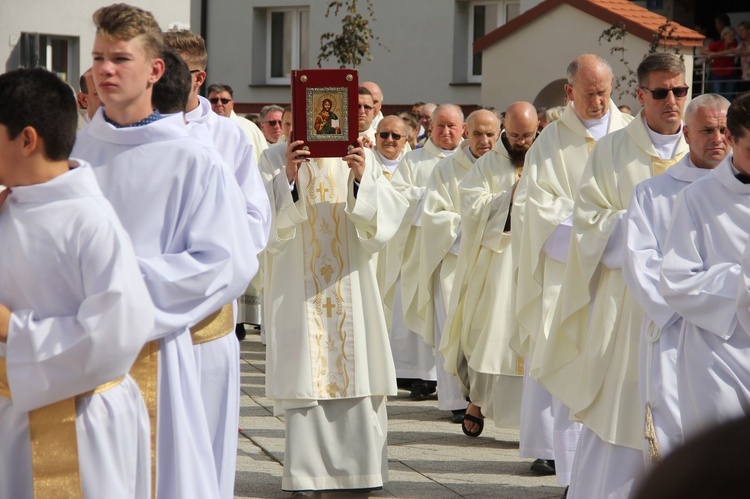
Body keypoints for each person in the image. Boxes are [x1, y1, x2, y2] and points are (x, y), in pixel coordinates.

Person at [72, 5, 256, 498]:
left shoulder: (194, 159)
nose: (105, 69)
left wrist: (113, 295)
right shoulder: (74, 156)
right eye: (98, 57)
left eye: (120, 58)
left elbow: (226, 262)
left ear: (155, 70)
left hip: (158, 349)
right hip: (80, 352)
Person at [0, 66, 152, 499]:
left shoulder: (90, 220)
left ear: (27, 140)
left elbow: (118, 333)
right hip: (10, 417)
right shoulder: (9, 204)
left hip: (82, 421)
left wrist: (13, 329)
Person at [543, 52, 689, 499]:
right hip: (626, 305)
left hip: (688, 308)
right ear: (641, 95)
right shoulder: (612, 151)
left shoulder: (700, 151)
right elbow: (588, 223)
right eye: (661, 93)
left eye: (679, 91)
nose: (672, 102)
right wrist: (644, 228)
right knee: (619, 413)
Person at [260, 130, 408, 495]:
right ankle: (306, 474)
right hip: (299, 290)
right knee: (306, 374)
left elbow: (383, 223)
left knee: (357, 369)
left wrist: (360, 179)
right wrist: (288, 180)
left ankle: (361, 471)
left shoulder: (358, 154)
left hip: (351, 286)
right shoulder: (274, 158)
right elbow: (263, 226)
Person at [513, 54, 633, 491]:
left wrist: (609, 233)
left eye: (604, 92)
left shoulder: (631, 135)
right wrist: (595, 232)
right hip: (566, 279)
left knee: (613, 376)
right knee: (569, 377)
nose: (599, 102)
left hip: (618, 276)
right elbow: (535, 209)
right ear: (569, 94)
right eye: (589, 94)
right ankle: (571, 479)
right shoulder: (549, 143)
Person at [162, 30, 270, 499]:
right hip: (153, 316)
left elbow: (254, 221)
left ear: (197, 78)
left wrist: (200, 274)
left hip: (206, 314)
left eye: (166, 70)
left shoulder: (231, 136)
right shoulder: (137, 128)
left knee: (206, 442)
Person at [623, 94, 730, 465]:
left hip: (735, 331)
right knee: (677, 428)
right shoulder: (653, 193)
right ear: (686, 133)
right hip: (673, 330)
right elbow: (640, 261)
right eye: (707, 130)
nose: (718, 138)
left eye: (725, 129)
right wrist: (692, 303)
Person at [440, 103, 535, 440]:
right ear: (504, 130)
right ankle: (477, 402)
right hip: (496, 262)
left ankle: (535, 428)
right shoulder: (486, 167)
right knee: (487, 335)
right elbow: (471, 206)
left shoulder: (547, 161)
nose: (521, 142)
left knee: (532, 341)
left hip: (535, 264)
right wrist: (507, 199)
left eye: (528, 135)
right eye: (515, 135)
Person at [662, 92, 750, 441]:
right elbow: (677, 280)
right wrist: (742, 284)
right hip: (716, 352)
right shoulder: (697, 198)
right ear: (730, 138)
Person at [419, 109, 499, 424]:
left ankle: (489, 400)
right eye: (478, 134)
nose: (484, 141)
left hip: (494, 260)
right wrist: (476, 222)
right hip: (454, 260)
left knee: (491, 331)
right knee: (453, 331)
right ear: (467, 133)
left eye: (490, 134)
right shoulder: (446, 169)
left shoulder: (509, 166)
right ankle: (455, 399)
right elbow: (434, 216)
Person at [385, 104, 464, 401]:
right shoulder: (414, 161)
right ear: (429, 129)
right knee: (416, 308)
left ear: (462, 129)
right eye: (439, 126)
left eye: (451, 126)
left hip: (455, 250)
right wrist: (428, 199)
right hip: (418, 251)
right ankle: (420, 376)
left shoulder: (472, 162)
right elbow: (398, 198)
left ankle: (454, 382)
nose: (445, 132)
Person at [206, 82, 268, 159]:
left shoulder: (249, 128)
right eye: (214, 100)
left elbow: (264, 158)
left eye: (224, 100)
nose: (219, 104)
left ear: (232, 104)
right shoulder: (200, 128)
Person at [702, 26, 739, 99]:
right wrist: (712, 53)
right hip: (718, 74)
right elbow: (703, 51)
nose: (732, 37)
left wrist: (716, 54)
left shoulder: (735, 43)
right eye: (730, 35)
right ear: (724, 36)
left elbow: (733, 51)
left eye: (733, 36)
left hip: (730, 74)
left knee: (729, 96)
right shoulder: (718, 44)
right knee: (718, 96)